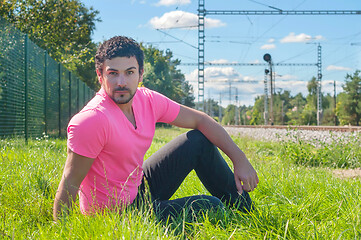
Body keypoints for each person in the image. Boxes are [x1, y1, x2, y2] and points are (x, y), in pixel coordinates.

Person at [53, 36, 259, 221]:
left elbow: (201, 120)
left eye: (129, 72)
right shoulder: (92, 120)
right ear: (100, 75)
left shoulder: (147, 100)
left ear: (140, 74)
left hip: (137, 186)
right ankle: (230, 211)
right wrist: (62, 231)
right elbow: (70, 181)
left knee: (197, 140)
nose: (121, 82)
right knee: (210, 206)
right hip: (116, 214)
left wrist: (240, 160)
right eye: (113, 73)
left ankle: (250, 216)